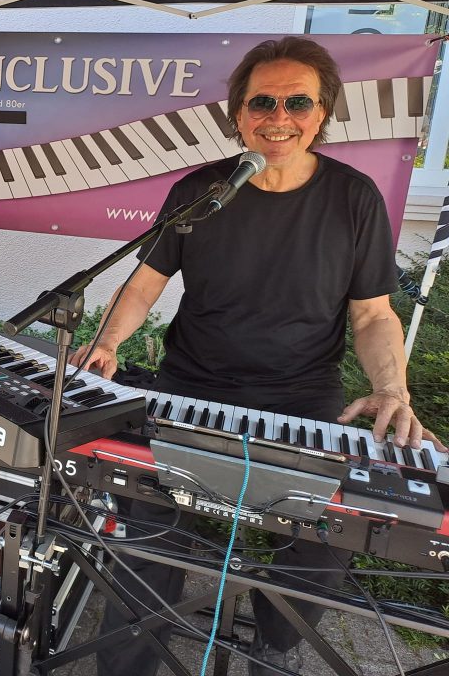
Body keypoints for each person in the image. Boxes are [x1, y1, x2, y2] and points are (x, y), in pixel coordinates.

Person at [71, 36, 447, 676]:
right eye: (262, 102)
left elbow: (374, 314)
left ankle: (275, 644)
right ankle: (128, 657)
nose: (279, 117)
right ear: (239, 114)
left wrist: (393, 390)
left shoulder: (355, 198)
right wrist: (106, 342)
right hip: (191, 386)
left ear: (322, 112)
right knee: (145, 526)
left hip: (302, 398)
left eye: (298, 102)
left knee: (324, 542)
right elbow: (144, 284)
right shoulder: (201, 191)